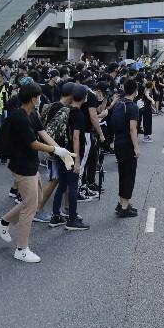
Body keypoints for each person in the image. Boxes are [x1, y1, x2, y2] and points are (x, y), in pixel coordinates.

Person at [0, 82, 72, 263]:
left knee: (34, 201)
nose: (40, 99)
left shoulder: (32, 113)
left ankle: (3, 223)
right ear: (33, 98)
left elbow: (42, 133)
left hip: (30, 163)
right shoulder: (19, 117)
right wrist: (55, 151)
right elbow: (33, 143)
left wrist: (61, 151)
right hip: (22, 166)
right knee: (30, 208)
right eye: (38, 96)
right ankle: (21, 249)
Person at [49, 87, 90, 230]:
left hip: (63, 151)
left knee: (62, 184)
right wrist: (77, 159)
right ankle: (72, 219)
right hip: (72, 154)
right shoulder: (78, 114)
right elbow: (76, 137)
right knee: (73, 186)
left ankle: (55, 215)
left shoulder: (65, 110)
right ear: (84, 98)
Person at [110, 79, 141, 218]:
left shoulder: (118, 103)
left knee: (122, 173)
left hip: (118, 141)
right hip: (128, 144)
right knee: (129, 175)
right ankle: (124, 206)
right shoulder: (133, 107)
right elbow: (133, 128)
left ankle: (123, 202)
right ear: (135, 91)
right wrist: (136, 147)